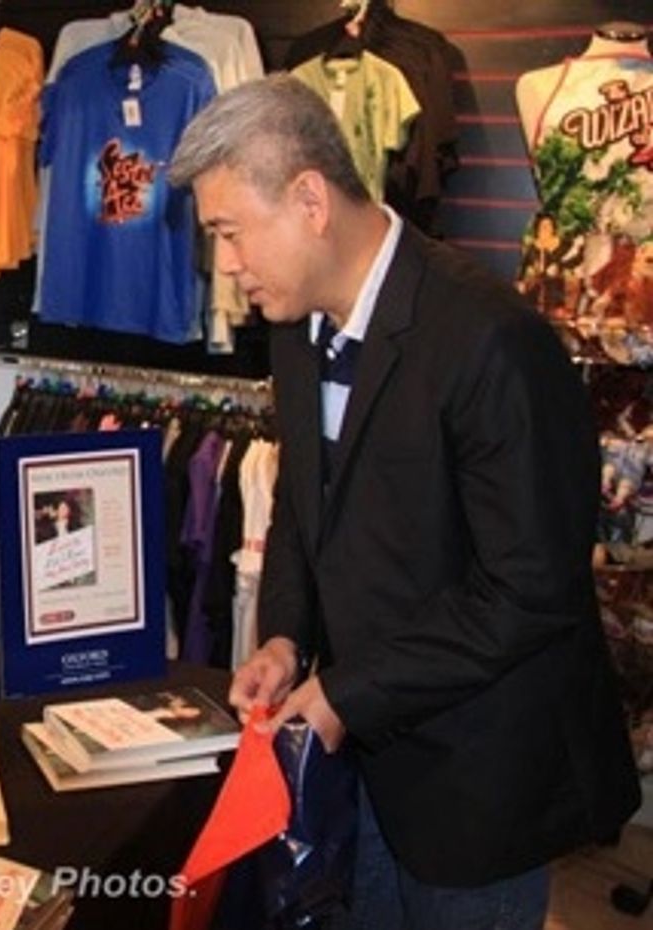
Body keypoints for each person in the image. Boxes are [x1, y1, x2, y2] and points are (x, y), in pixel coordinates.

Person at [168, 74, 639, 929]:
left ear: (309, 199)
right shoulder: (296, 330)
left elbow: (532, 589)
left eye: (230, 234)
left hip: (479, 782)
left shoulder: (491, 340)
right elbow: (308, 512)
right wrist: (284, 634)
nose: (225, 266)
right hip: (371, 765)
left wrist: (347, 694)